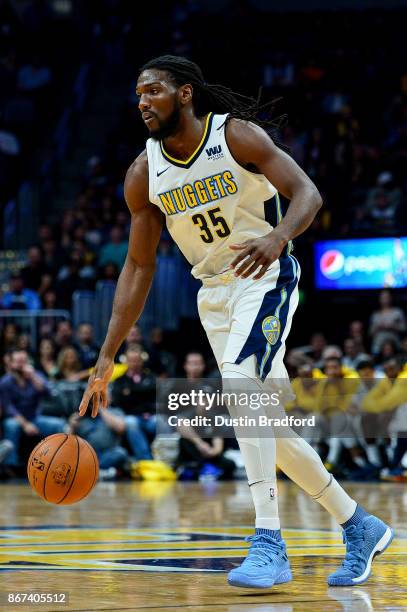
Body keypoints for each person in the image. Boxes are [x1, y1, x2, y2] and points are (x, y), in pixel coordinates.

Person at [78, 55, 393, 589]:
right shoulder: (143, 173)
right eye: (136, 94)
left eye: (152, 91)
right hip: (213, 293)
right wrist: (107, 352)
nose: (142, 102)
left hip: (265, 277)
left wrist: (277, 239)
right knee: (265, 421)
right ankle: (357, 523)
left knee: (242, 390)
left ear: (184, 93)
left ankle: (268, 540)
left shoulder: (236, 136)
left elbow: (308, 194)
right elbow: (138, 265)